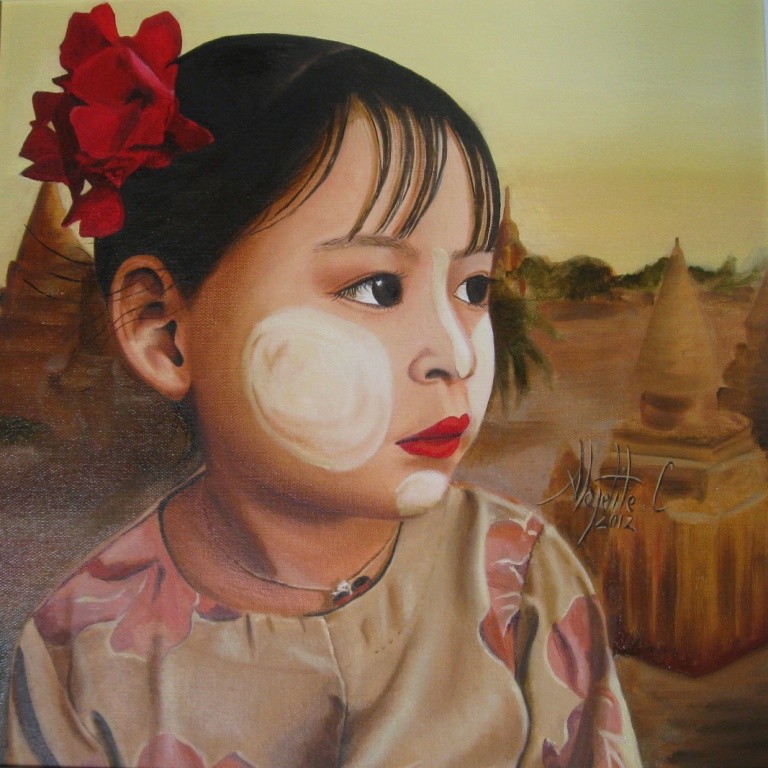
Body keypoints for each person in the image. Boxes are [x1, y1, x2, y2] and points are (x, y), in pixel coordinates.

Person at [6, 4, 641, 766]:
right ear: (163, 332)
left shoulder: (520, 578)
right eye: (376, 288)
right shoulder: (76, 654)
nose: (456, 355)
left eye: (473, 289)